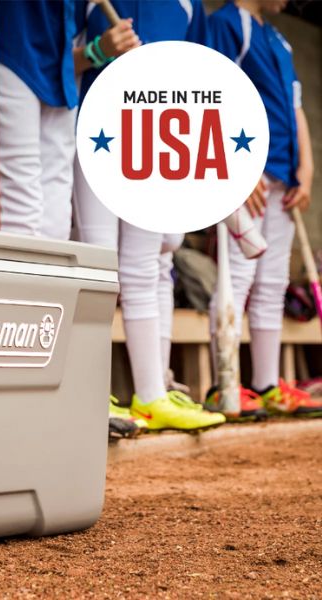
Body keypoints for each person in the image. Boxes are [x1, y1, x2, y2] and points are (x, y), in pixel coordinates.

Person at [74, 0, 226, 432]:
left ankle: (152, 395)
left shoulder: (188, 6)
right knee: (98, 265)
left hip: (155, 141)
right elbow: (64, 60)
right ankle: (89, 397)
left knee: (143, 268)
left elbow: (199, 80)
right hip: (98, 131)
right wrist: (99, 52)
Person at [206, 0, 322, 418]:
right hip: (249, 174)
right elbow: (212, 93)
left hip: (284, 178)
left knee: (273, 282)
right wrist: (236, 165)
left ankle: (266, 384)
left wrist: (307, 168)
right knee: (238, 275)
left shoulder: (279, 39)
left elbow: (295, 107)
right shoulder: (226, 23)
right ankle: (225, 385)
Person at [0, 0, 85, 240]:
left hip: (60, 51)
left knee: (57, 213)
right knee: (22, 206)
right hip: (16, 41)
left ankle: (49, 267)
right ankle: (17, 266)